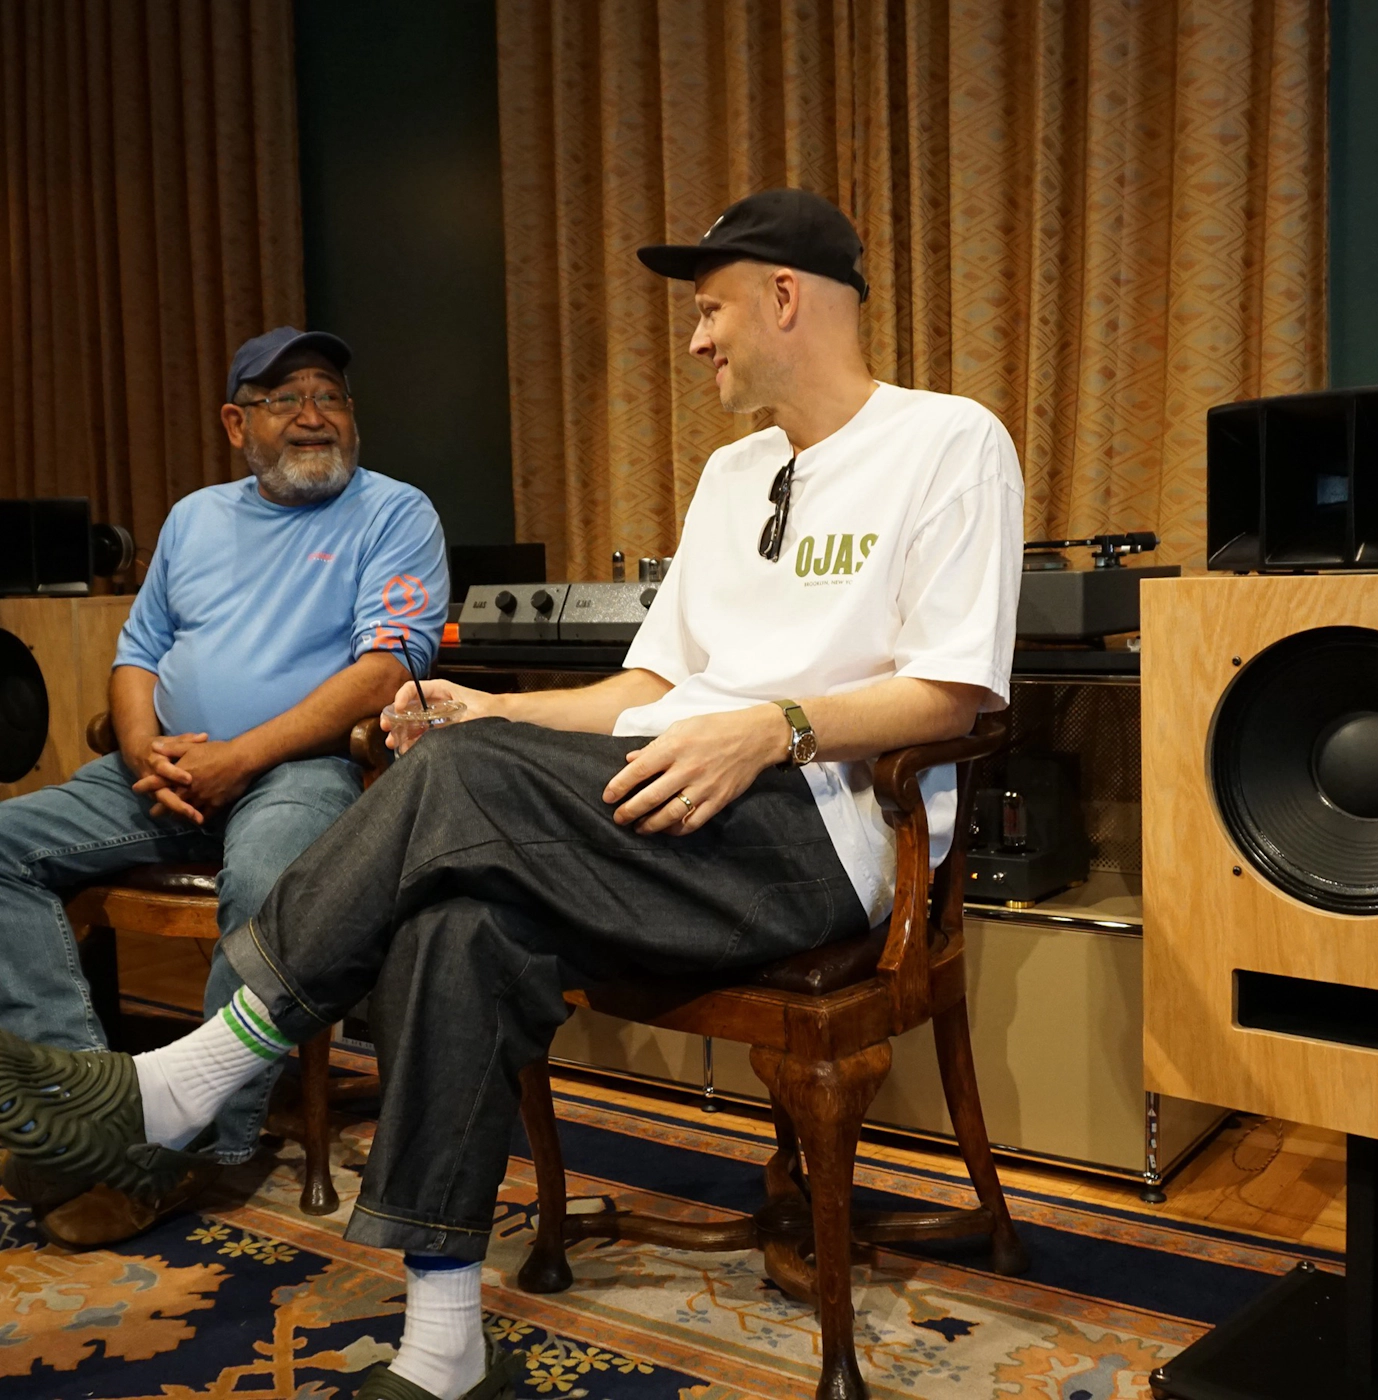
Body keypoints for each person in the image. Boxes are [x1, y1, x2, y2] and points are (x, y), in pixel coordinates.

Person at [0, 191, 1022, 1400]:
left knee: (450, 784)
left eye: (708, 310)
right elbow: (651, 684)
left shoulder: (946, 440)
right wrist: (496, 711)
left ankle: (197, 1072)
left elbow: (953, 692)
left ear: (783, 297)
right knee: (457, 920)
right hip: (661, 808)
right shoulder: (732, 470)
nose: (696, 339)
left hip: (819, 833)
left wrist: (771, 728)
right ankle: (444, 1347)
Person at [0, 327, 449, 1247]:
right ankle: (91, 1106)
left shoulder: (394, 512)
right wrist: (144, 752)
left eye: (329, 396)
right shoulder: (194, 518)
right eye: (285, 399)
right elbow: (137, 654)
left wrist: (238, 758)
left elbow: (386, 671)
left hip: (300, 770)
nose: (313, 415)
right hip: (165, 771)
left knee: (266, 882)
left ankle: (192, 1143)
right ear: (237, 423)